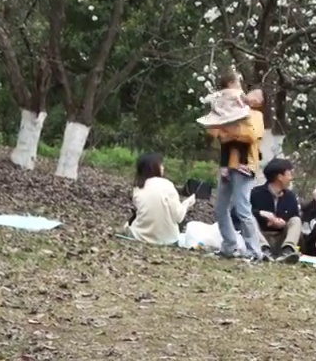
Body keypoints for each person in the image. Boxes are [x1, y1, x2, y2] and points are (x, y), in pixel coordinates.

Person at [200, 69, 267, 261]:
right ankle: (229, 246)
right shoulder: (230, 109)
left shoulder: (255, 115)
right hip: (227, 165)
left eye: (255, 96)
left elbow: (252, 135)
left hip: (246, 166)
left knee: (242, 209)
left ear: (259, 103)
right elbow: (214, 133)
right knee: (221, 209)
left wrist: (230, 132)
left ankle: (255, 251)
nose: (249, 96)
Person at [127, 153, 195, 245]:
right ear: (153, 167)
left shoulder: (138, 187)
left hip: (141, 235)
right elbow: (178, 217)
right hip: (168, 239)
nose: (163, 168)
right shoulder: (167, 185)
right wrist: (187, 203)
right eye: (161, 165)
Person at [250, 158, 302, 263]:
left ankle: (287, 251)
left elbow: (293, 217)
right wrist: (261, 214)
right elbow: (236, 213)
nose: (291, 178)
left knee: (296, 220)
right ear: (279, 177)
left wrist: (282, 222)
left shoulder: (290, 196)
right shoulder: (256, 193)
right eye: (289, 174)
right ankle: (263, 250)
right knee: (249, 218)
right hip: (261, 236)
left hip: (280, 238)